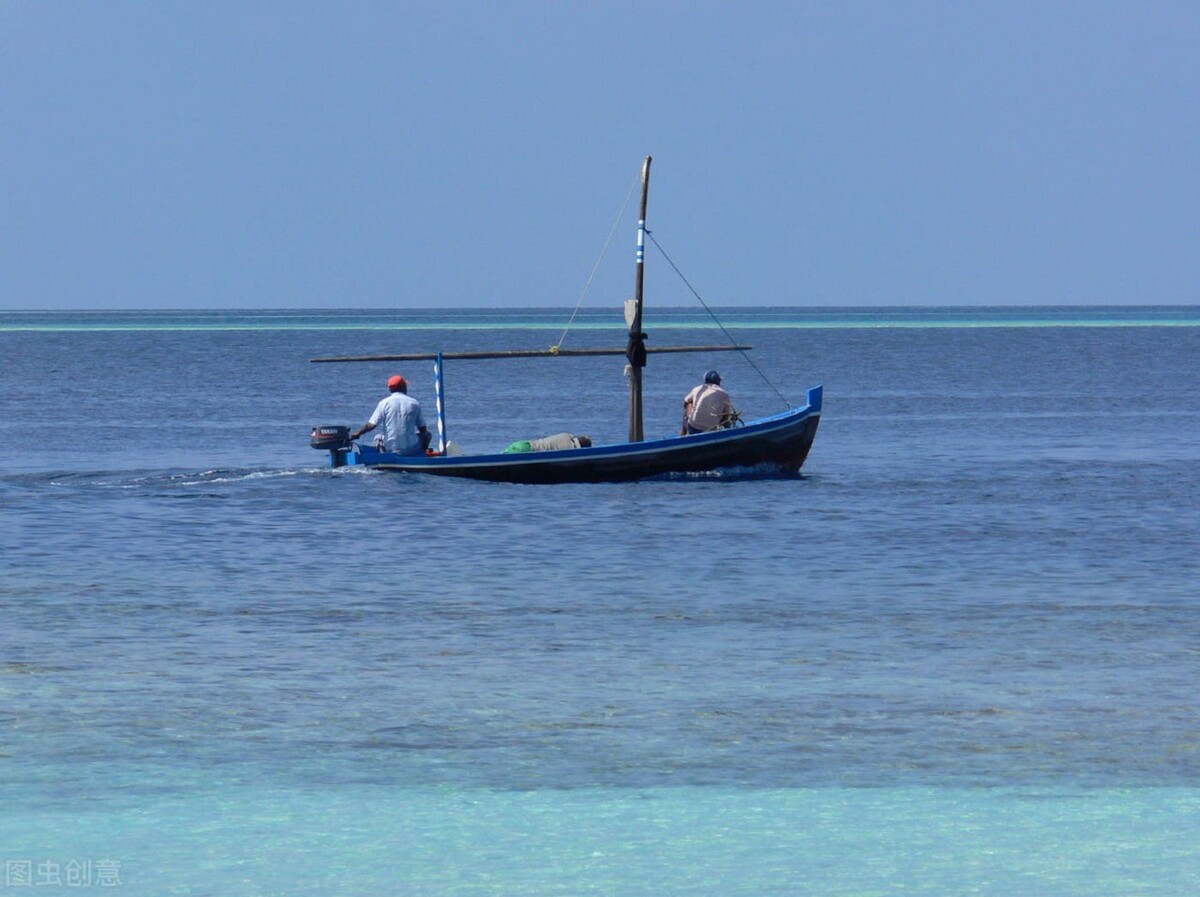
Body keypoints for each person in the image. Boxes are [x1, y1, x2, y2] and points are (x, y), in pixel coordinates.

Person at [350, 374, 432, 455]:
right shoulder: (414, 403)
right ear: (404, 387)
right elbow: (422, 429)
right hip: (411, 449)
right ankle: (423, 454)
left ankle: (384, 455)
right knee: (428, 434)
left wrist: (358, 433)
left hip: (390, 449)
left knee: (378, 437)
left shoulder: (384, 403)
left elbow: (371, 425)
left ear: (390, 389)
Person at [681, 370, 734, 435]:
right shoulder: (724, 394)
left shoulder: (697, 389)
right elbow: (727, 415)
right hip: (712, 430)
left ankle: (683, 433)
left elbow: (685, 402)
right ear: (719, 382)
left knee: (689, 403)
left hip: (693, 428)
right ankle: (724, 435)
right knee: (725, 415)